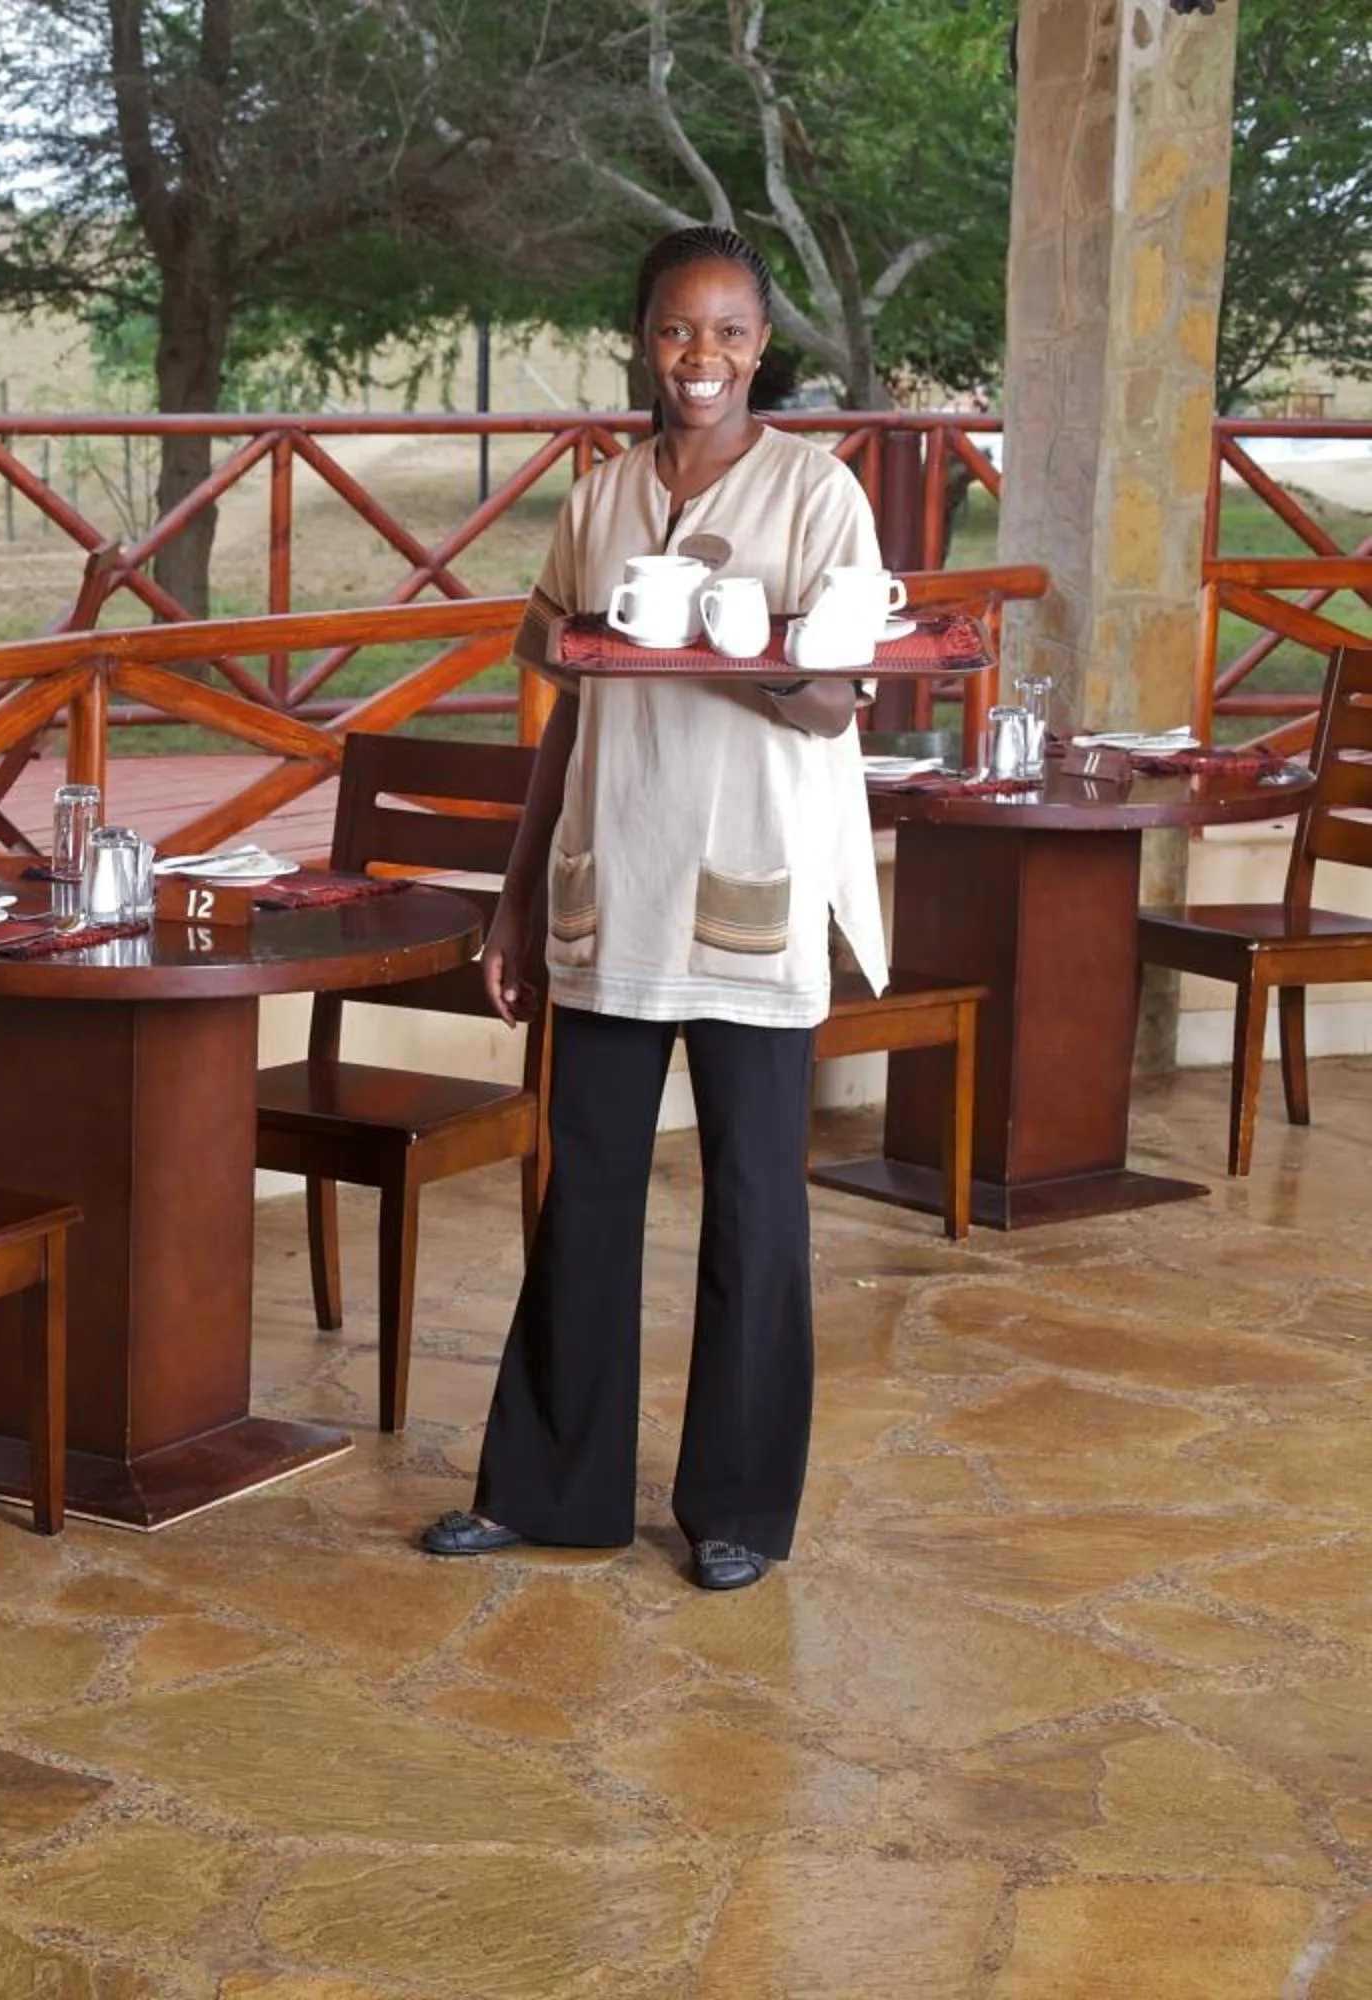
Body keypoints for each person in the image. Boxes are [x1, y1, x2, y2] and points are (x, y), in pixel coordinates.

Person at [419, 226, 886, 1592]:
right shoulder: (598, 502)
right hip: (608, 893)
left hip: (751, 890)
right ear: (645, 335)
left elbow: (839, 701)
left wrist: (734, 655)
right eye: (681, 330)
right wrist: (513, 905)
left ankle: (738, 1508)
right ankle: (550, 1487)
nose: (705, 357)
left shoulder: (819, 498)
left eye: (732, 332)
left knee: (754, 1205)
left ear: (761, 347)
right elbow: (566, 715)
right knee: (588, 1197)